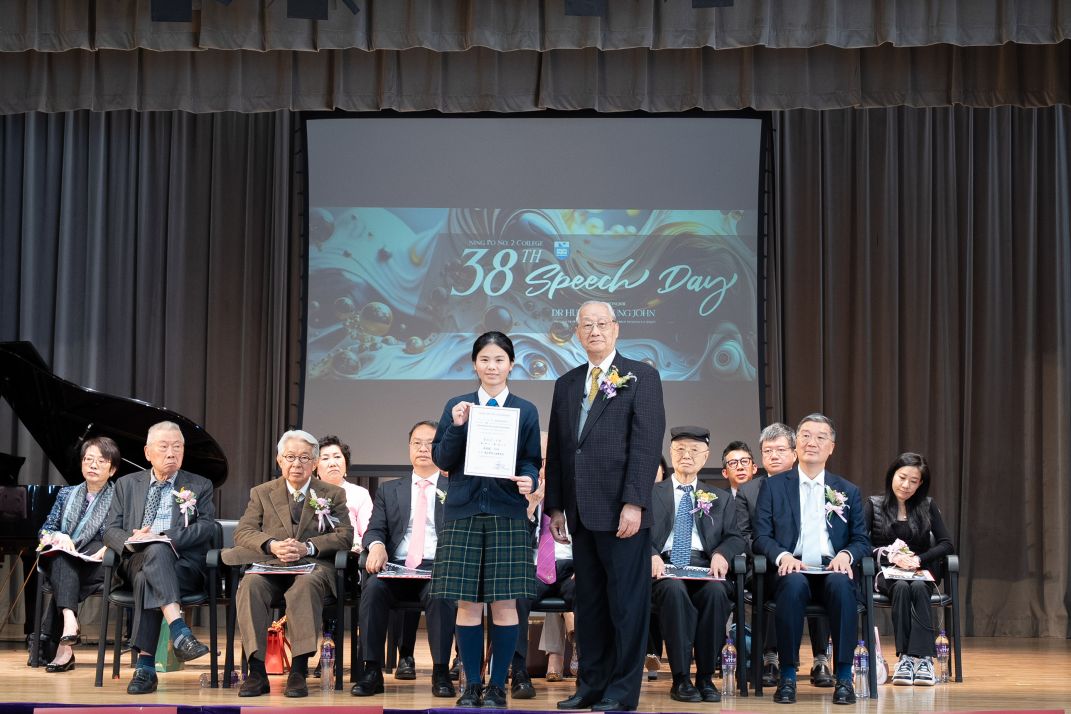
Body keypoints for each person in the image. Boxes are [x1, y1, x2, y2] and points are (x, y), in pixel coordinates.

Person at [545, 300, 666, 713]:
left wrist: (635, 502)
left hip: (621, 514)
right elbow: (560, 450)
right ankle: (591, 686)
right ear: (577, 332)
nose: (594, 330)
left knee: (627, 606)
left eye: (601, 323)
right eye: (586, 325)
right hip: (580, 513)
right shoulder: (566, 383)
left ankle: (622, 691)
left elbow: (646, 445)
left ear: (616, 328)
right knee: (590, 605)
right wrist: (556, 507)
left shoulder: (642, 376)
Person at [429, 331, 541, 708]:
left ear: (511, 365)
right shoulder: (457, 405)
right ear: (474, 364)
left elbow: (531, 459)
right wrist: (457, 426)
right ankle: (472, 685)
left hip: (507, 513)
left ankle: (497, 686)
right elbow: (442, 460)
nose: (492, 367)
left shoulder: (525, 410)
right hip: (463, 512)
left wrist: (530, 479)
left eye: (499, 360)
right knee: (468, 604)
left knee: (505, 604)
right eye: (485, 360)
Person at [753, 413, 870, 705]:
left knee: (841, 585)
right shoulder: (773, 486)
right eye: (805, 435)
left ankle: (844, 677)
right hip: (793, 567)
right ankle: (787, 677)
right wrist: (782, 556)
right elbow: (761, 536)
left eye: (820, 437)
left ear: (831, 447)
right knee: (793, 585)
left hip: (832, 568)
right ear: (796, 445)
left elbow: (861, 540)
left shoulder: (847, 490)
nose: (811, 442)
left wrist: (846, 554)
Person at [227, 429, 353, 698]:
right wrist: (271, 544)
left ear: (315, 462)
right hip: (271, 565)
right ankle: (257, 671)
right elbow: (243, 532)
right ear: (279, 460)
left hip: (312, 567)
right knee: (250, 585)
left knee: (304, 586)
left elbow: (345, 536)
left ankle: (298, 669)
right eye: (290, 457)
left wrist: (309, 547)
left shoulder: (332, 494)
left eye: (304, 458)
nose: (297, 464)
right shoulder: (262, 493)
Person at [102, 421, 215, 694]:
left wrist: (164, 536)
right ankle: (179, 631)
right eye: (163, 447)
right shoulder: (126, 484)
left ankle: (145, 668)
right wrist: (133, 540)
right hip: (135, 559)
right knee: (152, 554)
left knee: (150, 570)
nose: (171, 453)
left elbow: (206, 527)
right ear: (147, 452)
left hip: (182, 565)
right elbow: (110, 530)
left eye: (177, 447)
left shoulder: (199, 485)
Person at [351, 421, 457, 699]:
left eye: (430, 443)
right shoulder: (389, 490)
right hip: (397, 566)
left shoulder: (455, 488)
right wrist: (376, 546)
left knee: (440, 593)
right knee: (373, 589)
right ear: (408, 447)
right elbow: (375, 529)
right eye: (416, 443)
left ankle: (440, 672)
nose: (423, 448)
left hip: (437, 567)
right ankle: (371, 670)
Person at [651, 426, 744, 703]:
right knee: (673, 591)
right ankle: (680, 678)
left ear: (706, 457)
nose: (686, 455)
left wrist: (722, 554)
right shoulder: (650, 493)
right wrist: (650, 554)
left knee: (716, 593)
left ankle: (705, 677)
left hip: (704, 566)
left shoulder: (720, 498)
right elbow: (637, 532)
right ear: (670, 453)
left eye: (694, 450)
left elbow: (735, 537)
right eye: (680, 449)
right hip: (664, 567)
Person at [736, 424, 833, 688]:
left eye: (780, 450)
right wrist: (776, 556)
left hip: (808, 562)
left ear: (794, 453)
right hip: (765, 563)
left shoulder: (813, 485)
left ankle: (821, 658)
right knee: (774, 576)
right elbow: (744, 535)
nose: (774, 456)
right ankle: (770, 657)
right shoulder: (749, 491)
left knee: (820, 574)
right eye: (768, 451)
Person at [865, 452, 954, 687]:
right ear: (892, 475)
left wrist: (919, 558)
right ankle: (906, 658)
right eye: (902, 477)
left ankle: (923, 660)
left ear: (920, 483)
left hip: (918, 571)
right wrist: (889, 555)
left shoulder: (927, 505)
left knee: (917, 586)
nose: (906, 485)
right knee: (902, 587)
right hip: (886, 572)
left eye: (913, 481)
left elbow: (947, 544)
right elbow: (860, 543)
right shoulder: (874, 505)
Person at [34, 436, 119, 672]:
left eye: (101, 461)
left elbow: (123, 531)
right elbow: (45, 529)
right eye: (88, 459)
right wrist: (57, 536)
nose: (93, 465)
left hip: (100, 562)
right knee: (62, 555)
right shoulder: (66, 494)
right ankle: (70, 623)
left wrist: (111, 546)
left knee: (64, 567)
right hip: (68, 559)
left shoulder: (119, 497)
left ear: (112, 469)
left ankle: (60, 641)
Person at [511, 432, 577, 698]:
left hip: (571, 568)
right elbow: (513, 541)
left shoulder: (576, 491)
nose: (544, 466)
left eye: (550, 460)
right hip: (533, 567)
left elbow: (590, 536)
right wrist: (530, 508)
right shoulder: (518, 491)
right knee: (515, 596)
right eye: (539, 460)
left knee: (590, 592)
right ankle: (519, 671)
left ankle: (589, 672)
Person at [316, 435, 373, 549]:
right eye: (325, 458)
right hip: (316, 552)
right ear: (315, 466)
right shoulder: (308, 493)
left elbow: (368, 532)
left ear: (346, 464)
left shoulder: (360, 493)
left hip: (350, 552)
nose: (332, 463)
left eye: (337, 457)